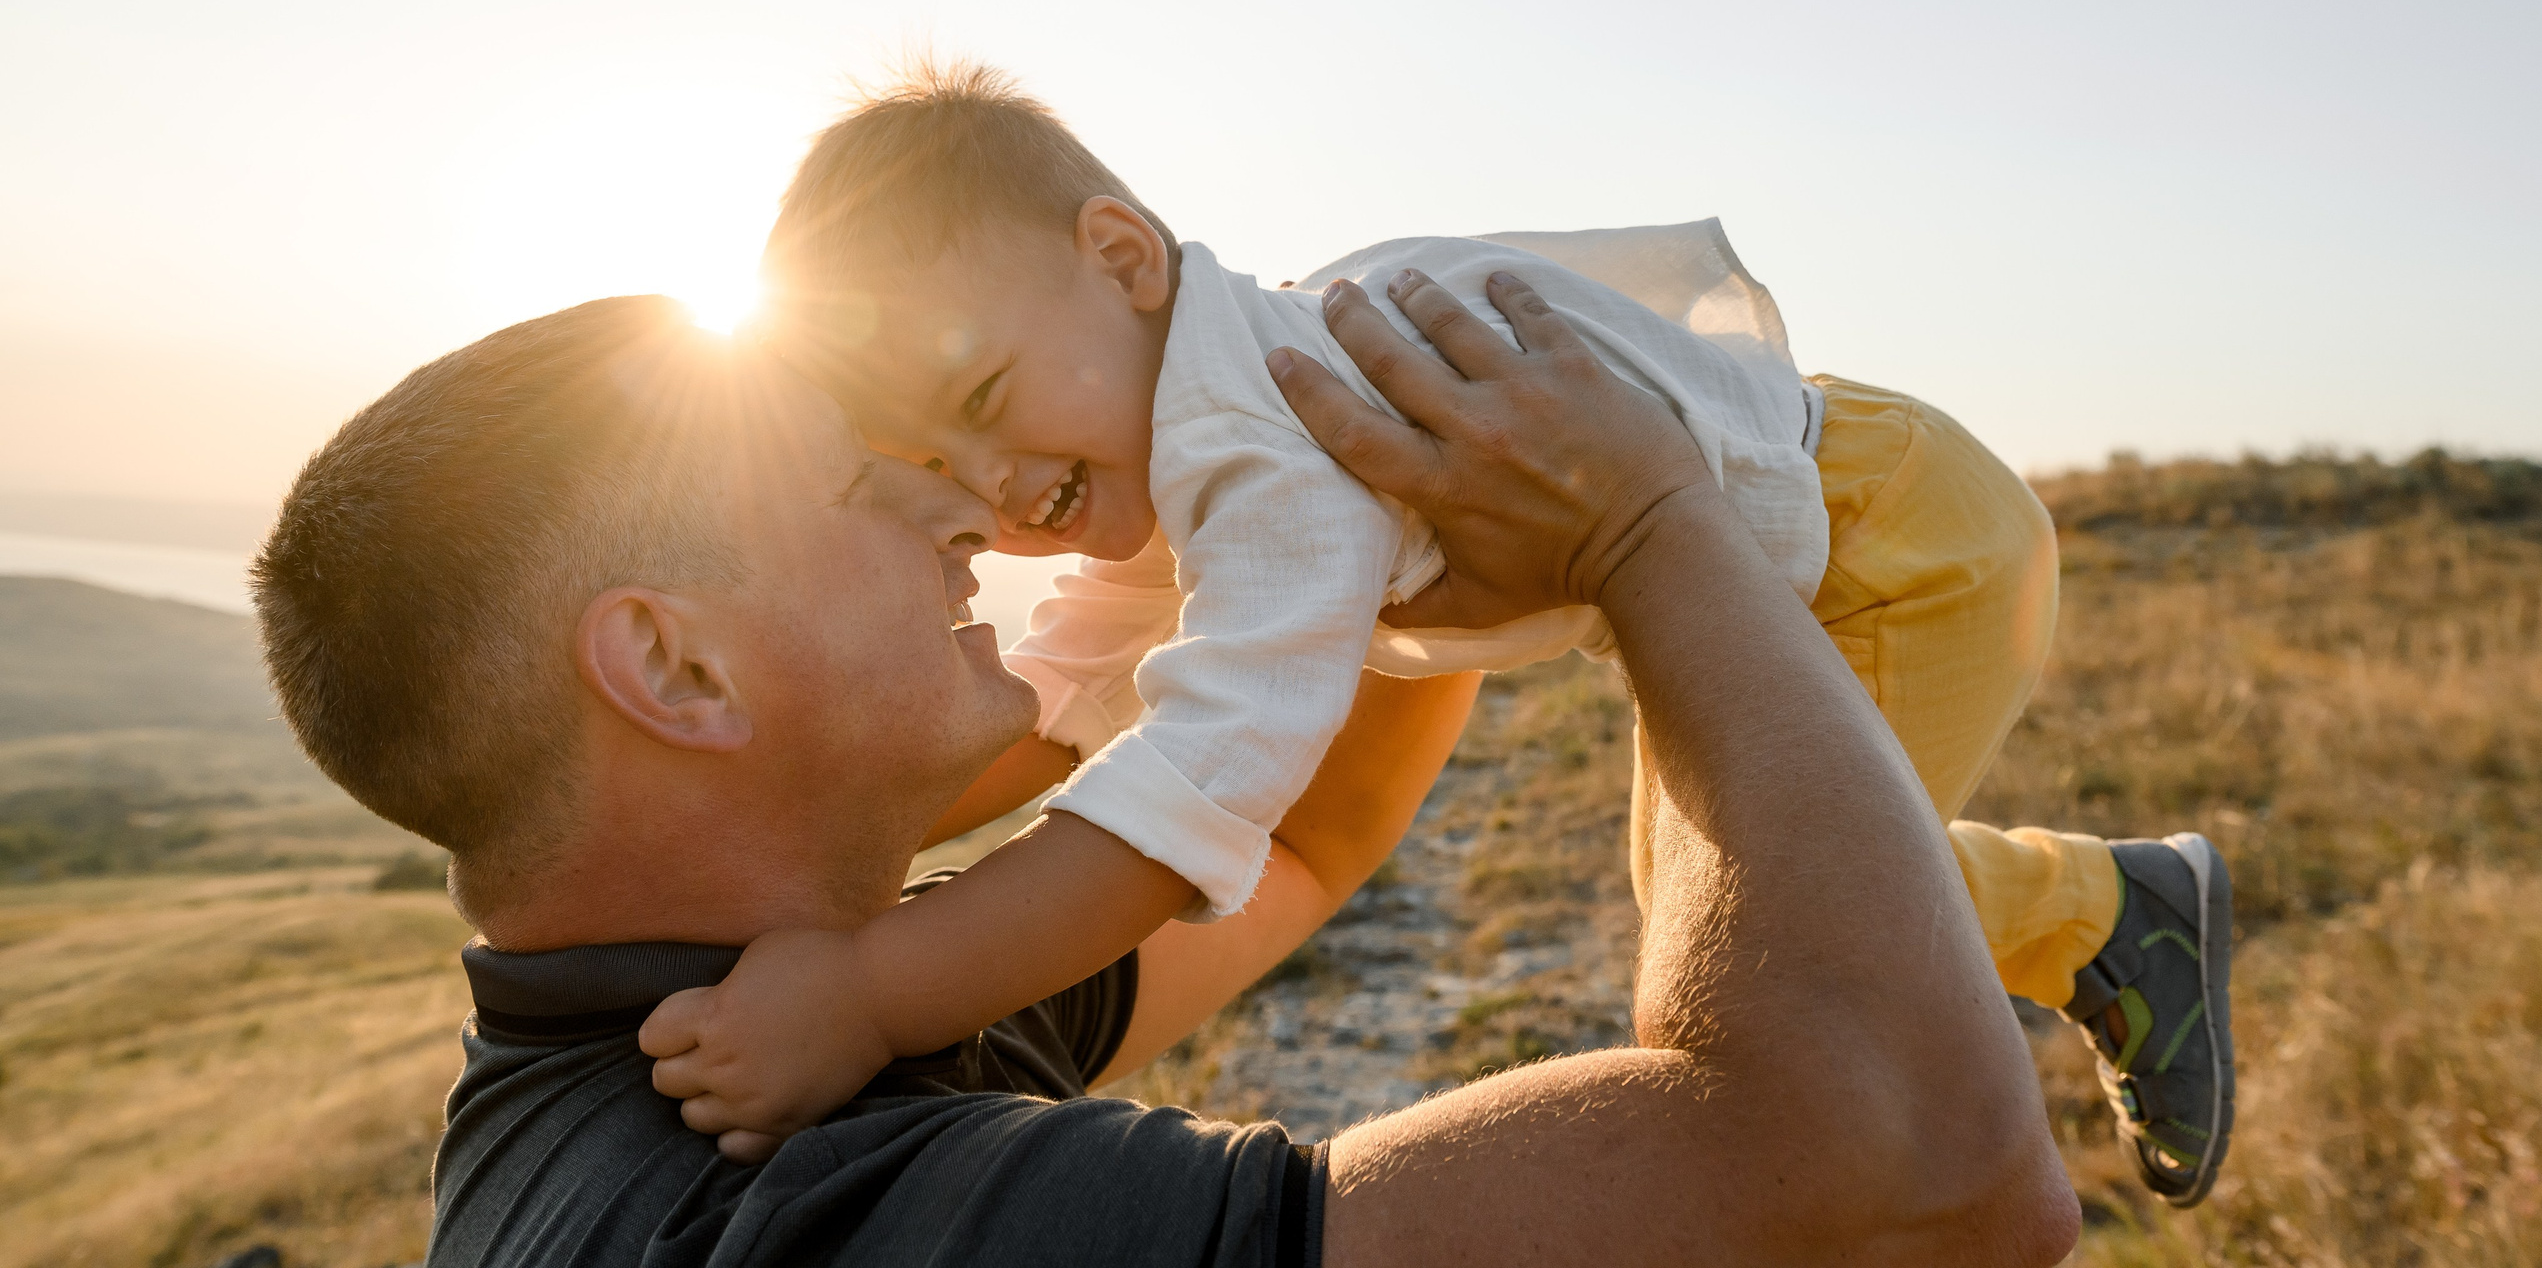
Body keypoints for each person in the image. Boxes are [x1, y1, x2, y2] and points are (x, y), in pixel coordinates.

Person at [252, 271, 2080, 1265]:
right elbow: (1918, 1168)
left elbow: (1310, 840)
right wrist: (1649, 525)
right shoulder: (801, 1213)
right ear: (675, 662)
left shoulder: (718, 1026)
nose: (967, 527)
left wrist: (1334, 506)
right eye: (865, 489)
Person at [655, 64, 2233, 1203]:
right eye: (941, 469)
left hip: (1887, 548)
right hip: (1821, 549)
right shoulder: (1173, 429)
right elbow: (1072, 689)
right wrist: (815, 850)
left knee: (1776, 955)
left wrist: (872, 990)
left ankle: (2105, 913)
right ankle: (2114, 915)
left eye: (988, 403)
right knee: (1733, 910)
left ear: (1122, 257)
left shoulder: (1259, 433)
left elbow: (1196, 781)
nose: (1001, 490)